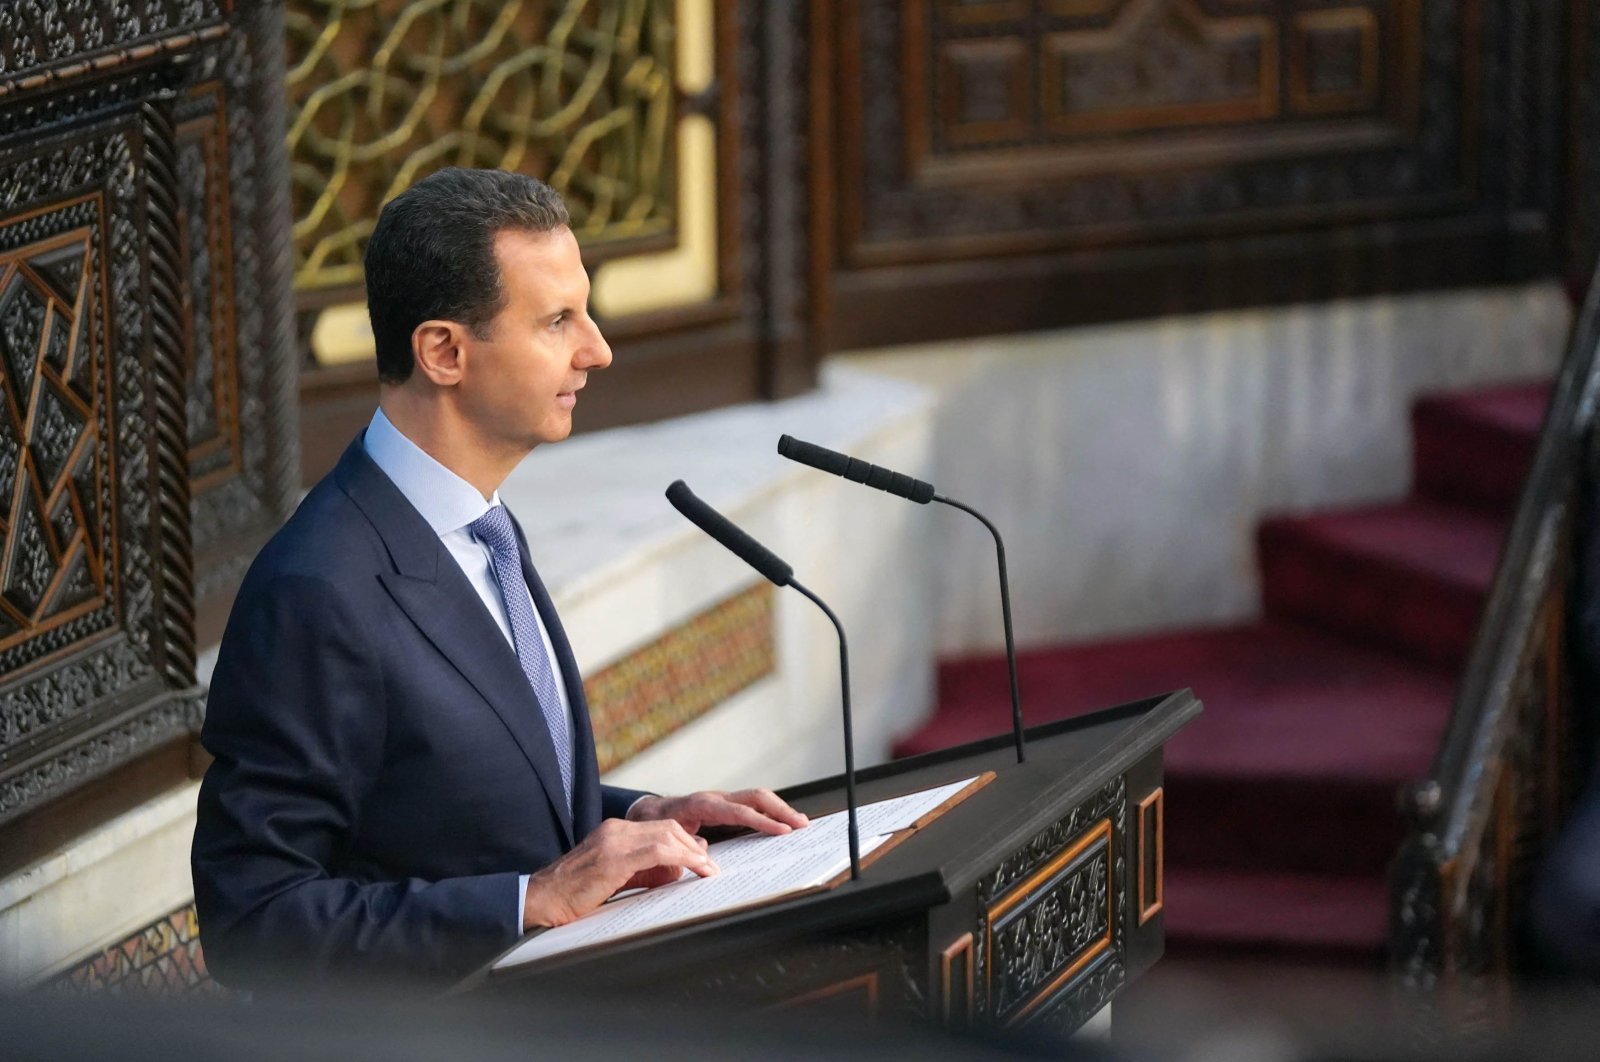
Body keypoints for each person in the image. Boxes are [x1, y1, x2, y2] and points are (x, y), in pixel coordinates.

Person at [191, 168, 808, 991]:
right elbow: (255, 922)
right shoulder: (317, 589)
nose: (598, 349)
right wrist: (531, 899)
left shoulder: (484, 526)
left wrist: (638, 815)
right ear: (444, 351)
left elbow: (459, 801)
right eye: (558, 321)